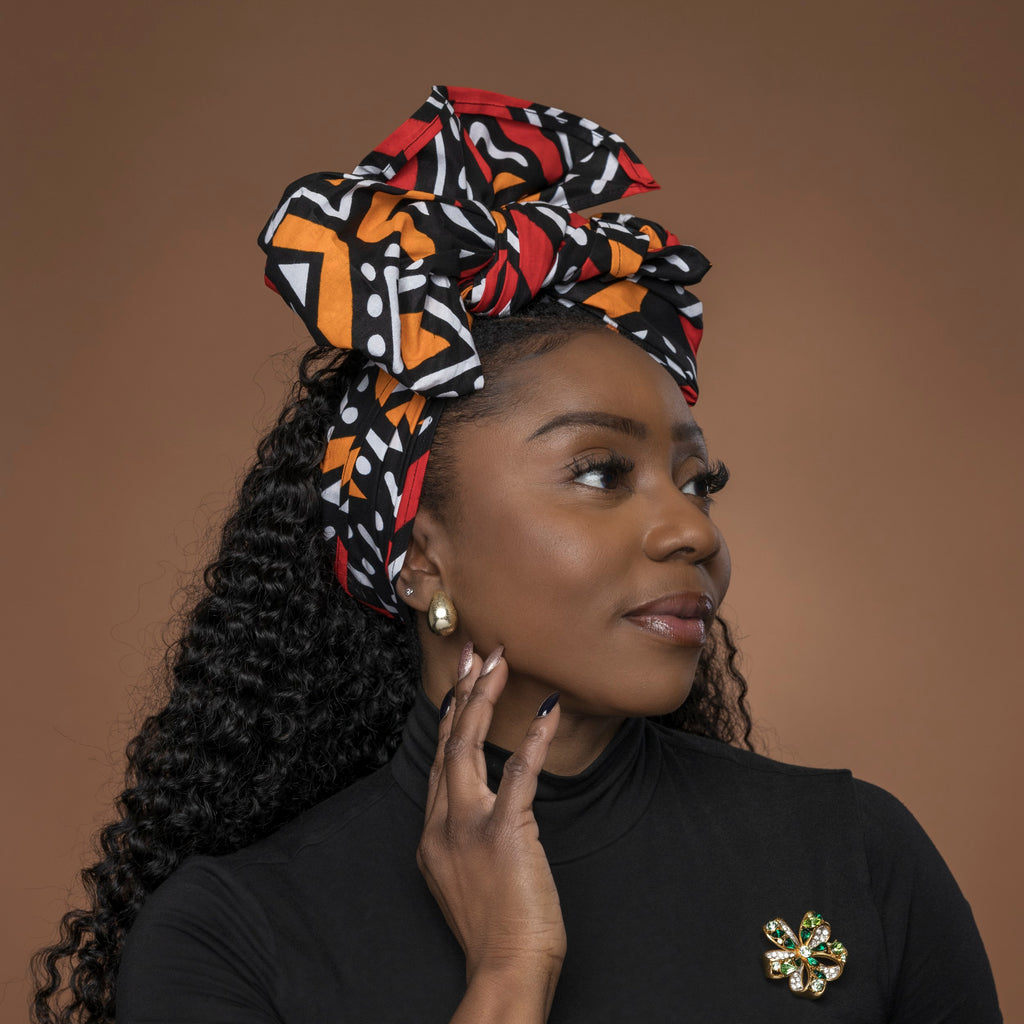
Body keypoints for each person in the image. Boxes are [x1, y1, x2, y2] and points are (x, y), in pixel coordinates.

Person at [32, 86, 1002, 1024]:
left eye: (697, 481)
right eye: (600, 471)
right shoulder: (234, 937)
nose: (694, 531)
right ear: (419, 554)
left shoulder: (853, 853)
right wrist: (511, 972)